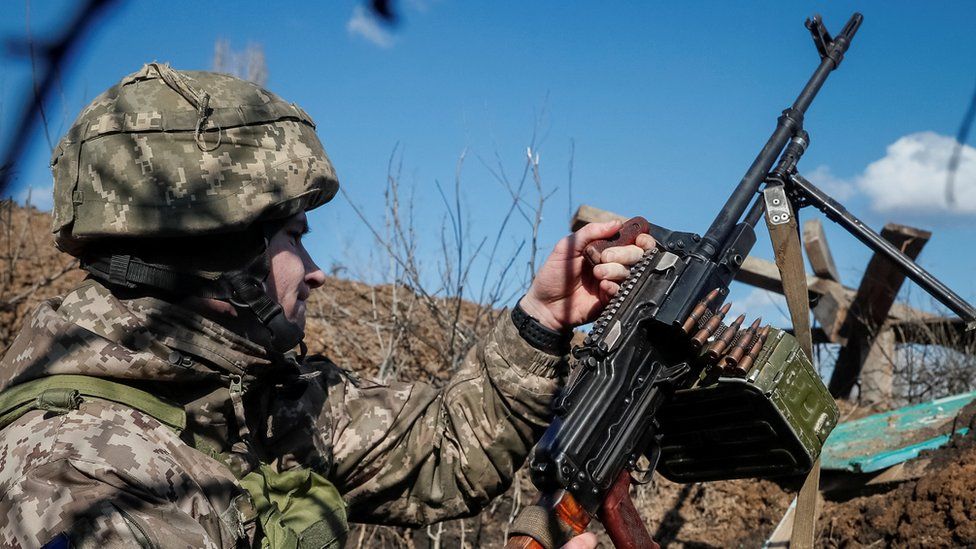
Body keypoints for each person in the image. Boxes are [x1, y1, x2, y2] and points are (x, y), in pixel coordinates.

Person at [0, 64, 654, 548]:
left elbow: (440, 449)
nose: (316, 275)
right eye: (295, 240)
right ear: (222, 252)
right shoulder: (78, 480)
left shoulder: (239, 397)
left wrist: (541, 318)